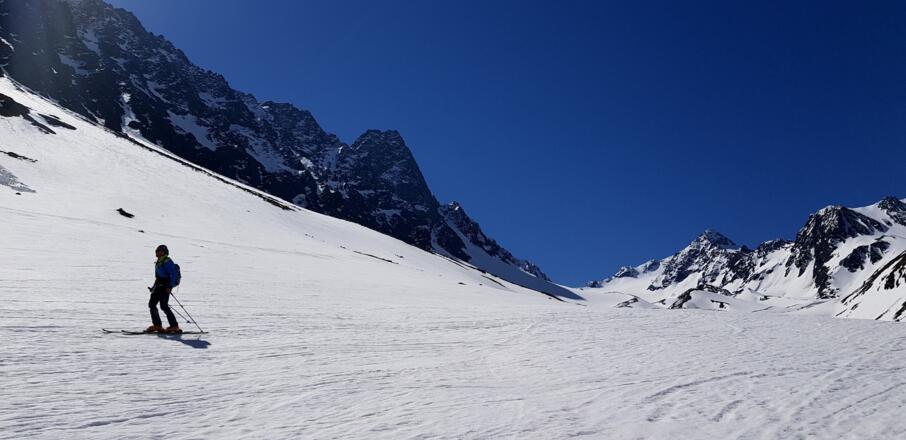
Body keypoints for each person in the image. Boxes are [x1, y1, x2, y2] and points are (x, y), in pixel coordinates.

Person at [147, 245, 182, 333]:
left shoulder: (167, 261)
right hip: (159, 286)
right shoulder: (159, 262)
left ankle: (174, 326)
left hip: (165, 286)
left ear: (164, 252)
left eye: (159, 251)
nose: (157, 252)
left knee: (163, 306)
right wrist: (153, 287)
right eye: (157, 251)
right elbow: (158, 277)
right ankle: (157, 325)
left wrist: (170, 286)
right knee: (152, 304)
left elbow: (173, 274)